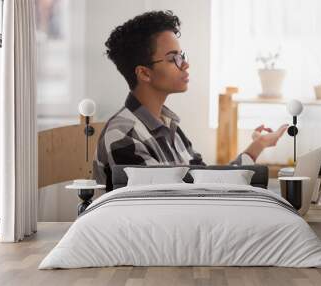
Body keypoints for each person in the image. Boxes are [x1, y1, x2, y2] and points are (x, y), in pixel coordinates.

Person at [93, 10, 288, 189]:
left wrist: (258, 145)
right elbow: (162, 206)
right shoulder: (123, 135)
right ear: (144, 73)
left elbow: (207, 181)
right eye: (173, 58)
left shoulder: (170, 127)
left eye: (181, 56)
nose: (185, 64)